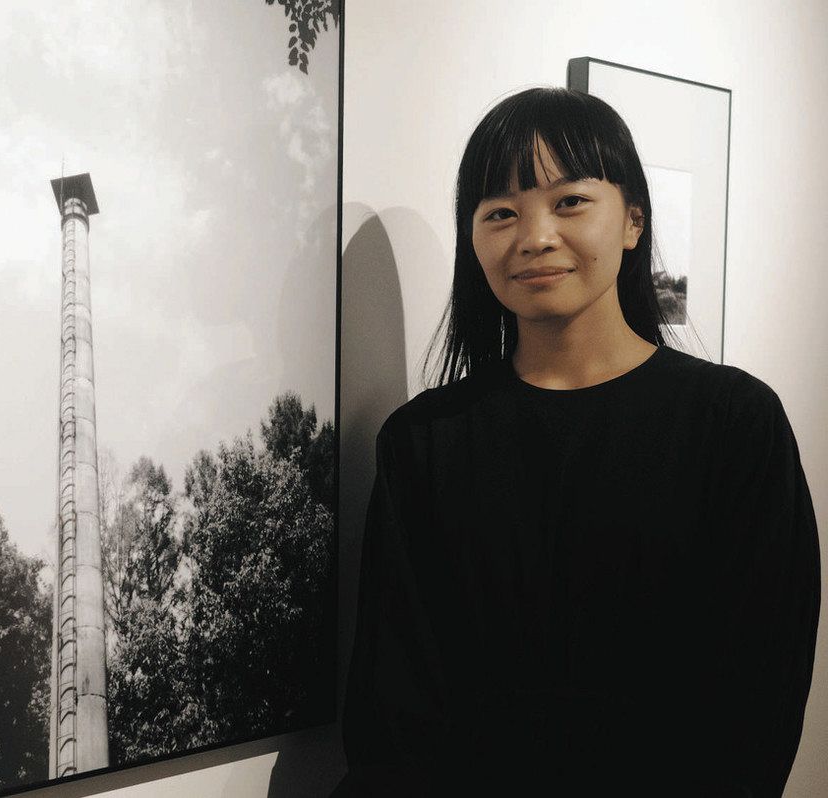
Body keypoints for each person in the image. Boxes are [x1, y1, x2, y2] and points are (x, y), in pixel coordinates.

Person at [333, 88, 820, 796]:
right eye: (501, 213)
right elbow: (393, 711)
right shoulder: (423, 442)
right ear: (474, 239)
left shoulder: (734, 424)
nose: (534, 236)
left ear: (632, 221)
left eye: (569, 202)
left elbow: (758, 699)